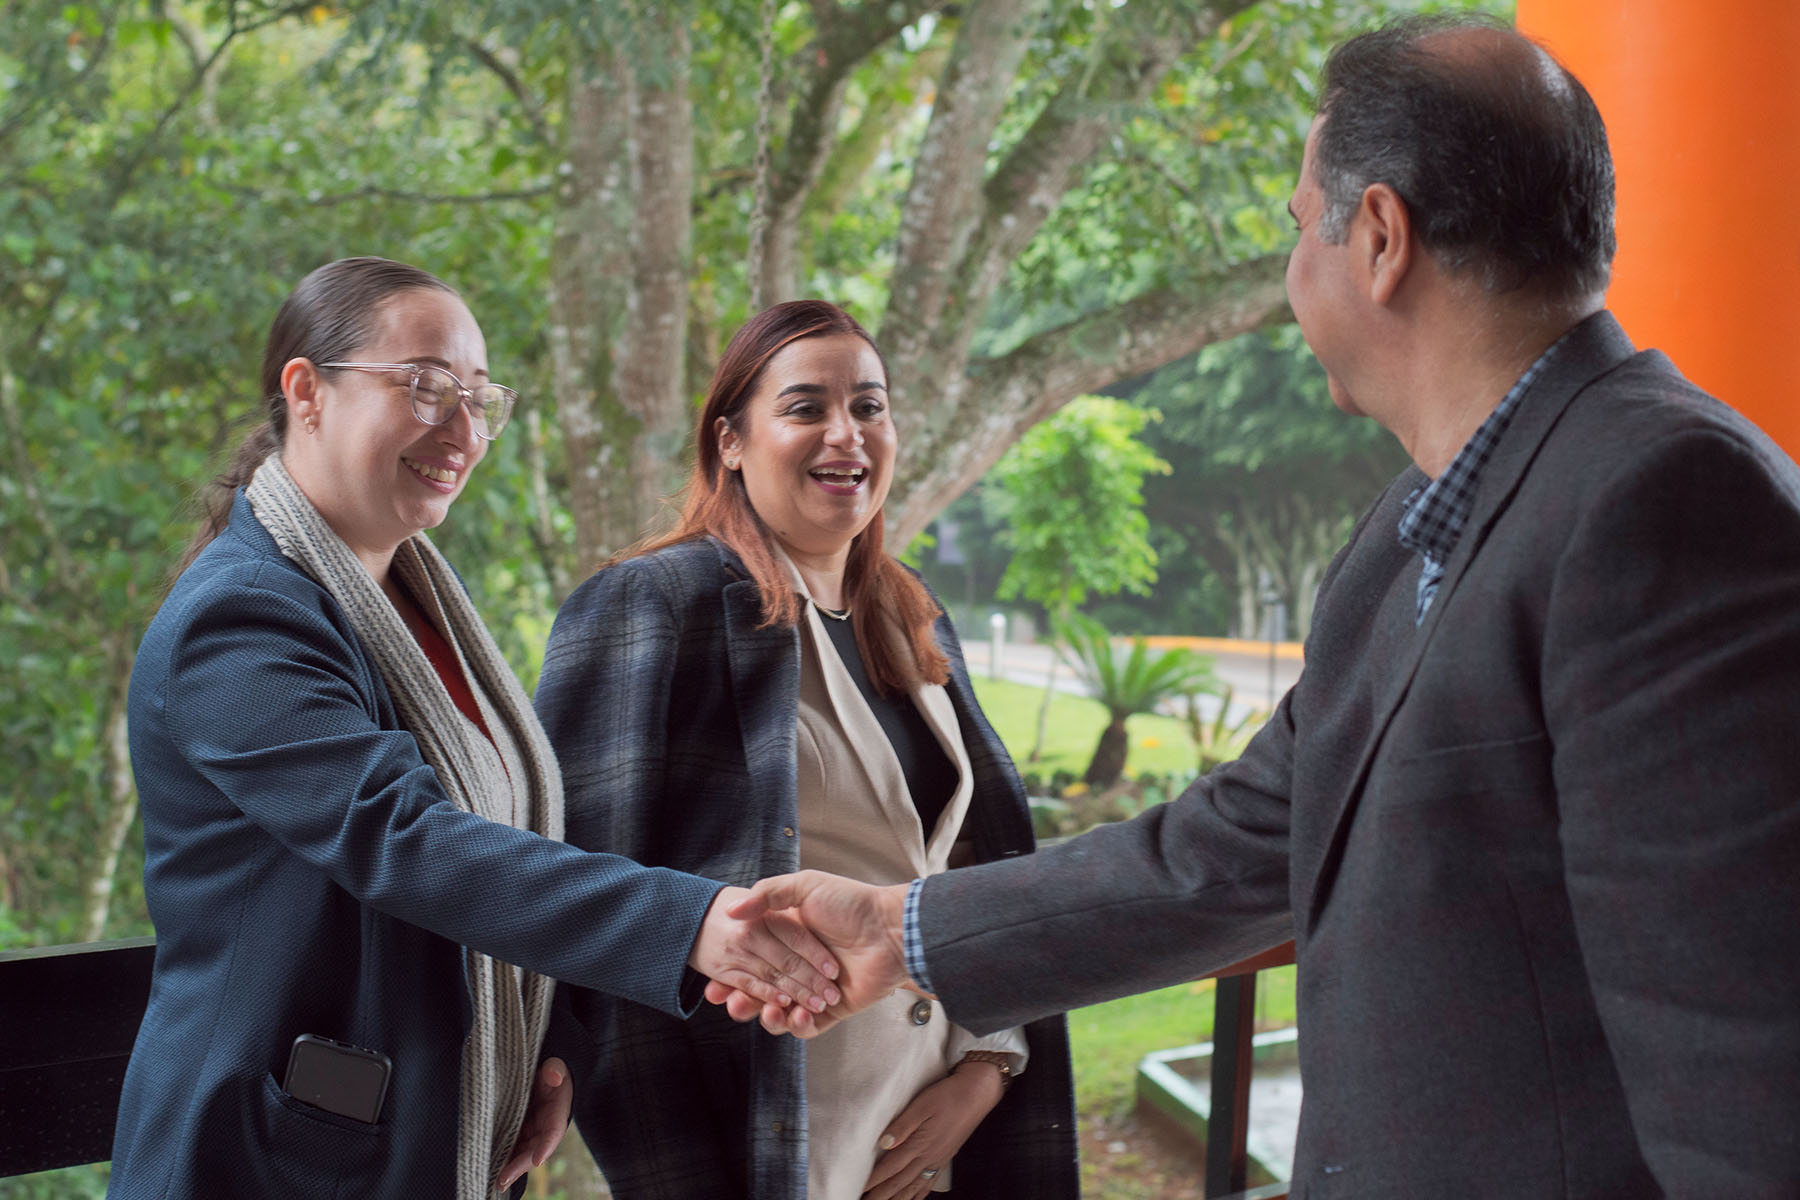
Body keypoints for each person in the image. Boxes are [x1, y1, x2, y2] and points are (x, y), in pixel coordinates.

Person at [723, 15, 1800, 1196]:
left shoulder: (1667, 503)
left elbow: (1745, 1074)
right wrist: (902, 931)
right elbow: (1240, 847)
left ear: (1380, 237)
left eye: (1299, 227)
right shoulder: (1410, 528)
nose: (1297, 268)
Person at [111, 257, 842, 1200]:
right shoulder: (240, 621)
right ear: (308, 391)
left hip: (432, 1132)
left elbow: (523, 829)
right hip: (267, 1159)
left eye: (479, 398)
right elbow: (405, 840)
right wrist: (695, 923)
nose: (463, 431)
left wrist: (554, 1049)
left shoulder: (418, 606)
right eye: (425, 388)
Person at [533, 300, 1077, 1199]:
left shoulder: (913, 614)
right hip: (773, 1144)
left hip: (952, 1136)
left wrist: (986, 1066)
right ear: (731, 443)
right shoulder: (653, 606)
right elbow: (580, 905)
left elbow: (972, 861)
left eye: (869, 405)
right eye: (804, 408)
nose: (846, 434)